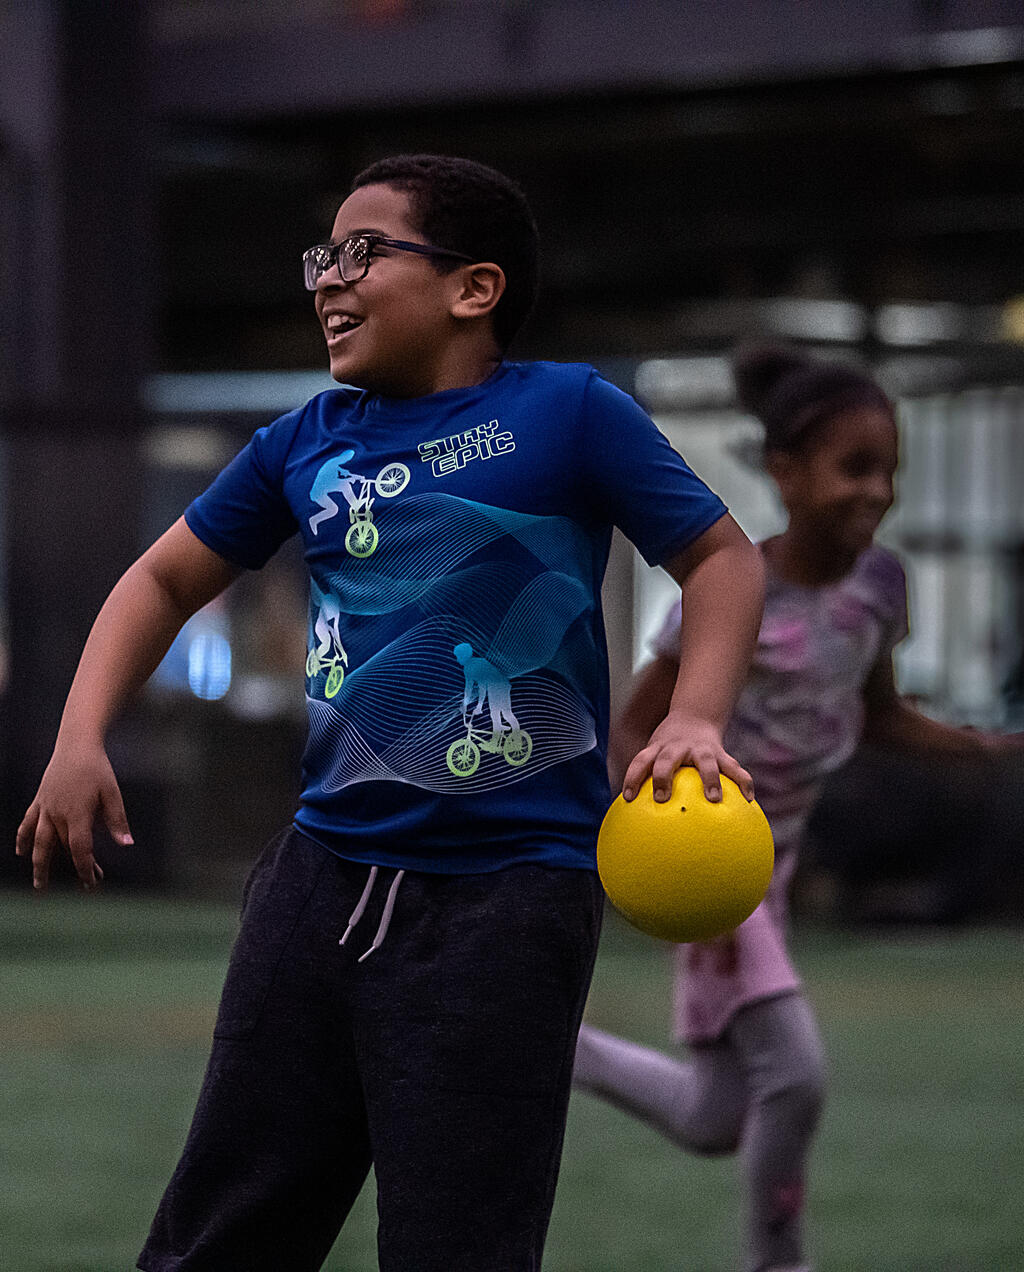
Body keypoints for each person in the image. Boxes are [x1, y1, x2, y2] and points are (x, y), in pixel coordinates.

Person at [15, 154, 764, 1272]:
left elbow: (722, 561)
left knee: (459, 1247)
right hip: (314, 885)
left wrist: (695, 718)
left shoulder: (569, 412)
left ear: (474, 288)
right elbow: (160, 581)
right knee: (220, 1237)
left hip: (508, 904)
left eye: (363, 251)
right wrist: (79, 738)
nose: (328, 277)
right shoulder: (303, 442)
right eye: (323, 256)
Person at [573, 343, 1006, 1272]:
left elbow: (876, 713)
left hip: (780, 864)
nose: (877, 491)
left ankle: (555, 1047)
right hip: (713, 867)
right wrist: (648, 837)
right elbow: (635, 724)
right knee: (798, 1078)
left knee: (713, 1117)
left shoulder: (881, 589)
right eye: (855, 467)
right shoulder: (736, 592)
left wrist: (979, 745)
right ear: (785, 472)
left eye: (889, 469)